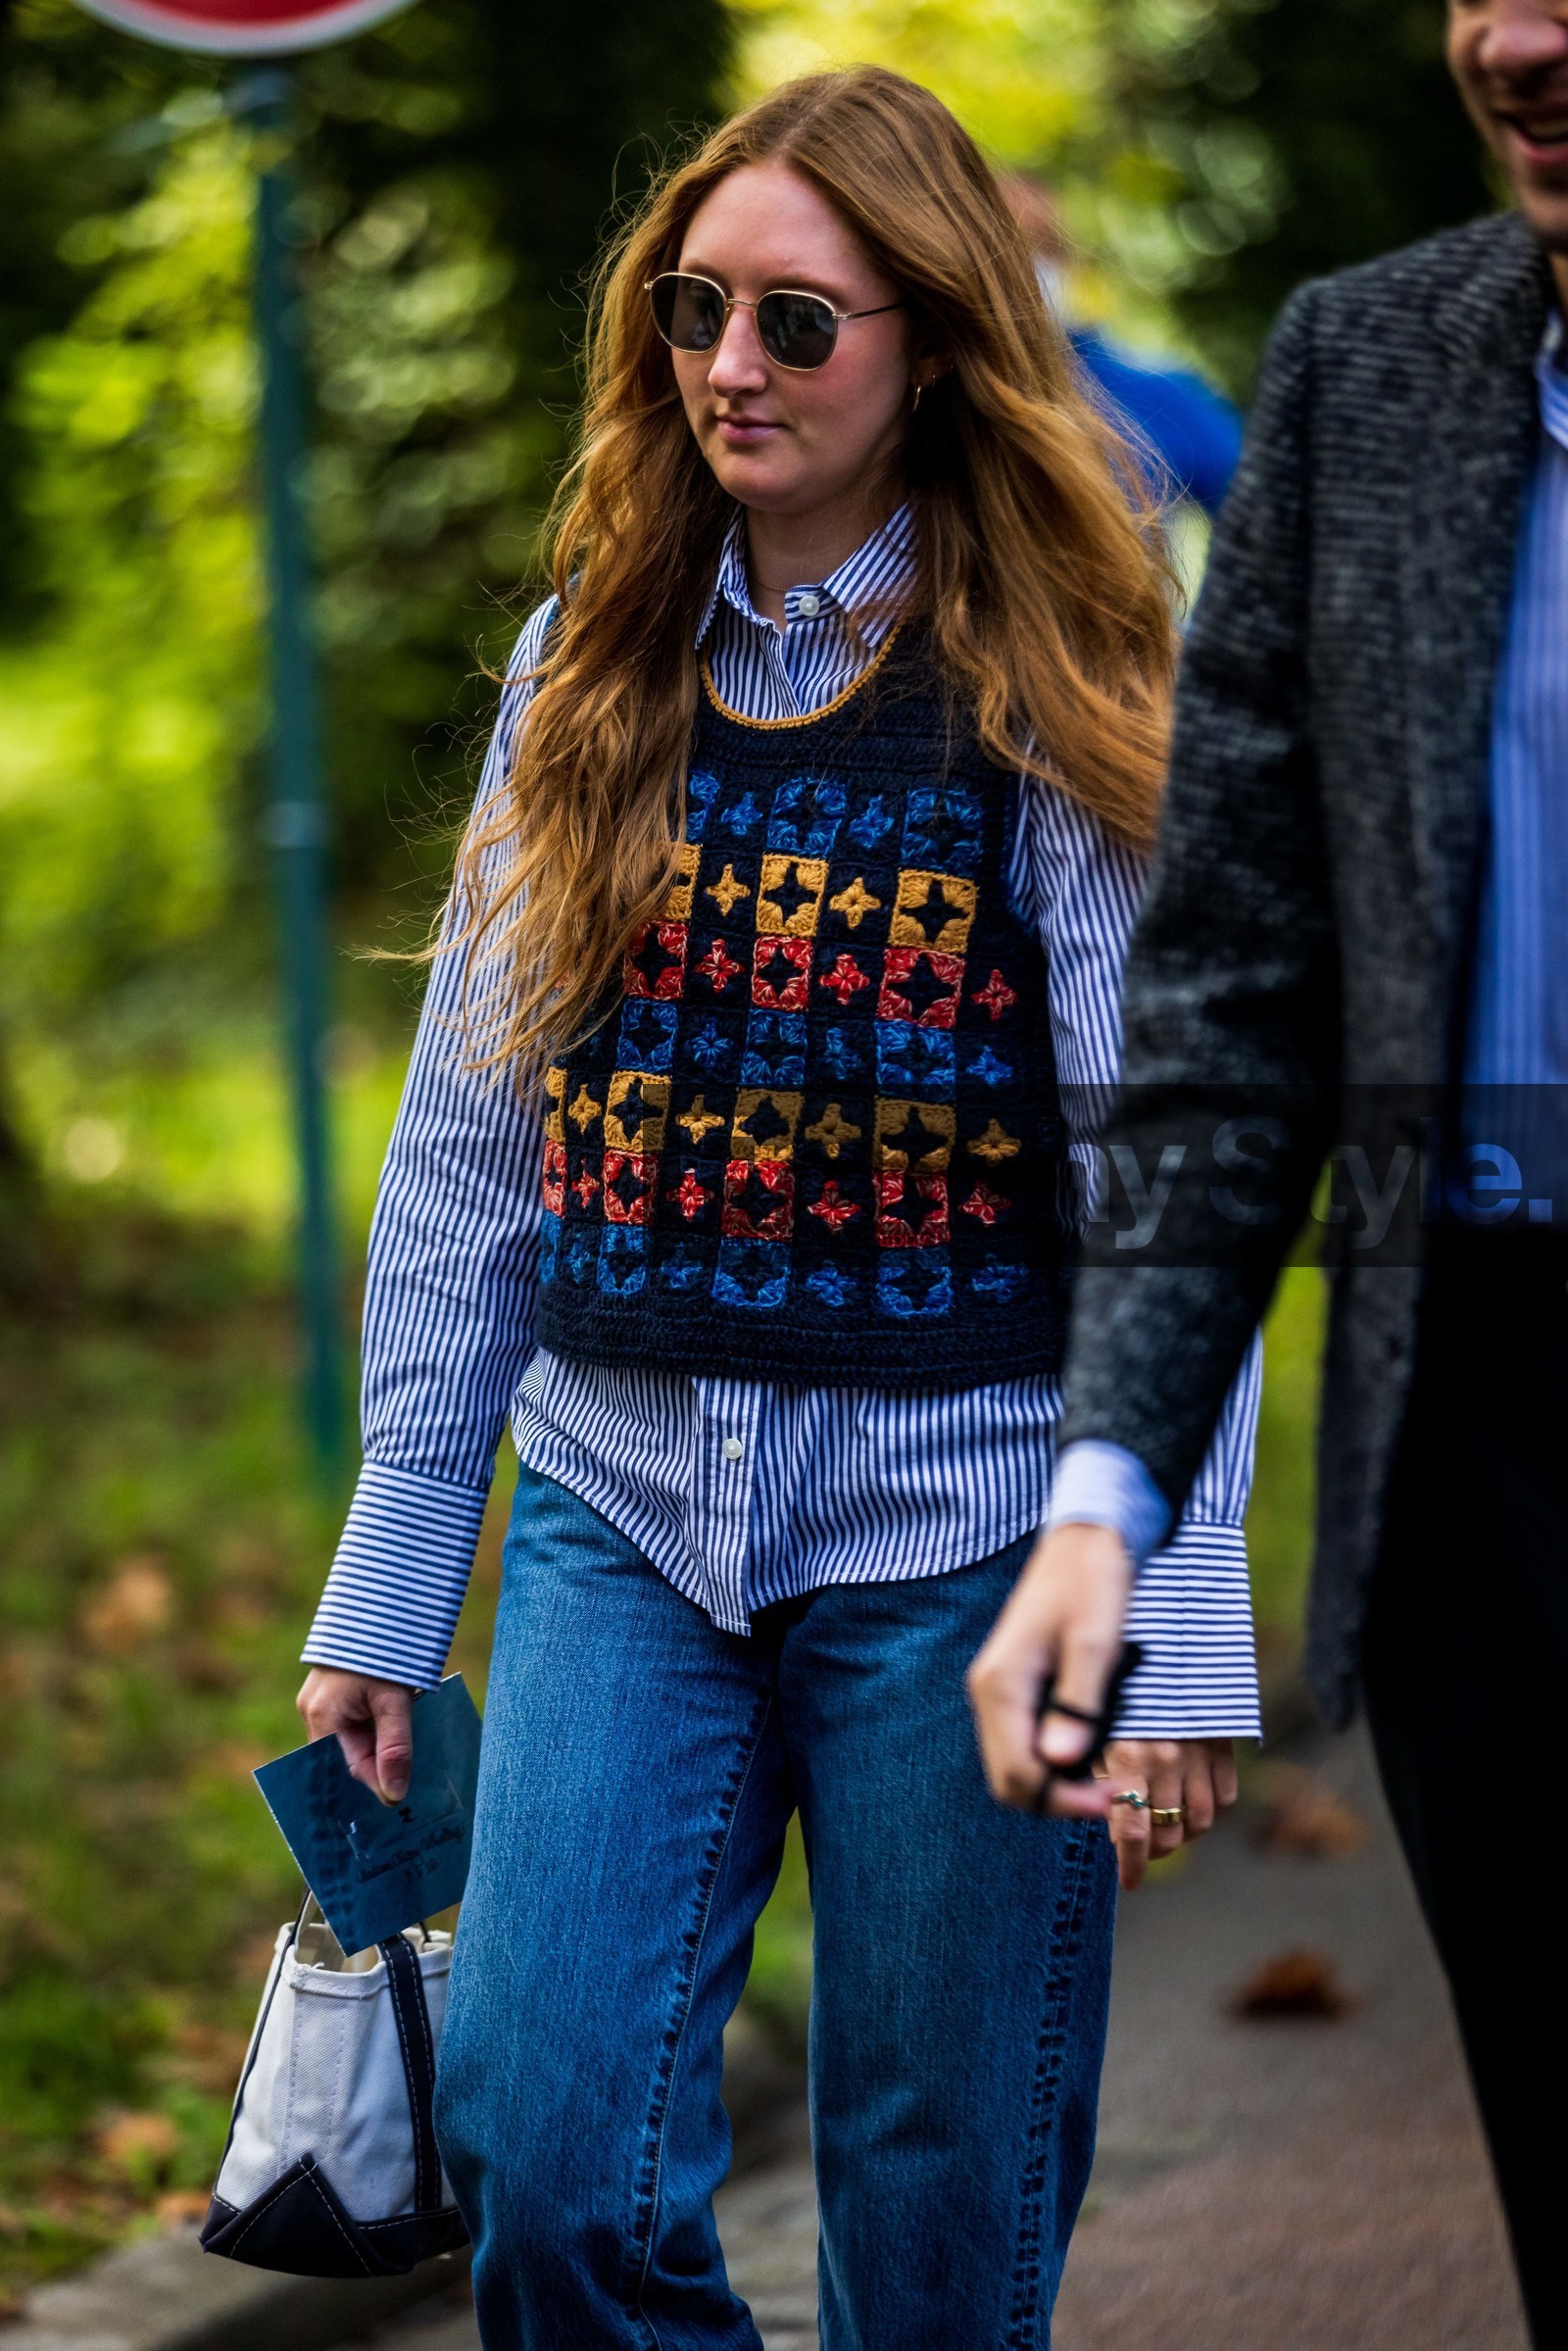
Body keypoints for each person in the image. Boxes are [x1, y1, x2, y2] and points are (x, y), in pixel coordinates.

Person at [295, 66, 1261, 2350]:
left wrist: (1174, 1620)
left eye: (794, 323)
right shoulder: (586, 665)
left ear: (929, 342)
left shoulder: (1054, 691)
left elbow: (1164, 1161)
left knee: (937, 2239)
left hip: (973, 1547)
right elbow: (465, 1133)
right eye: (691, 311)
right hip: (621, 1508)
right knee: (540, 2162)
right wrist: (392, 1567)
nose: (728, 365)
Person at [968, 1, 1568, 2341]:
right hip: (1477, 1421)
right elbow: (1225, 998)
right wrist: (1105, 1486)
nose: (1512, 33)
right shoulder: (1366, 368)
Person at [1002, 173, 1244, 520]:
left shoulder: (1157, 393)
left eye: (1042, 248)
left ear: (1070, 262)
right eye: (1006, 256)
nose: (1027, 271)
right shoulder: (928, 395)